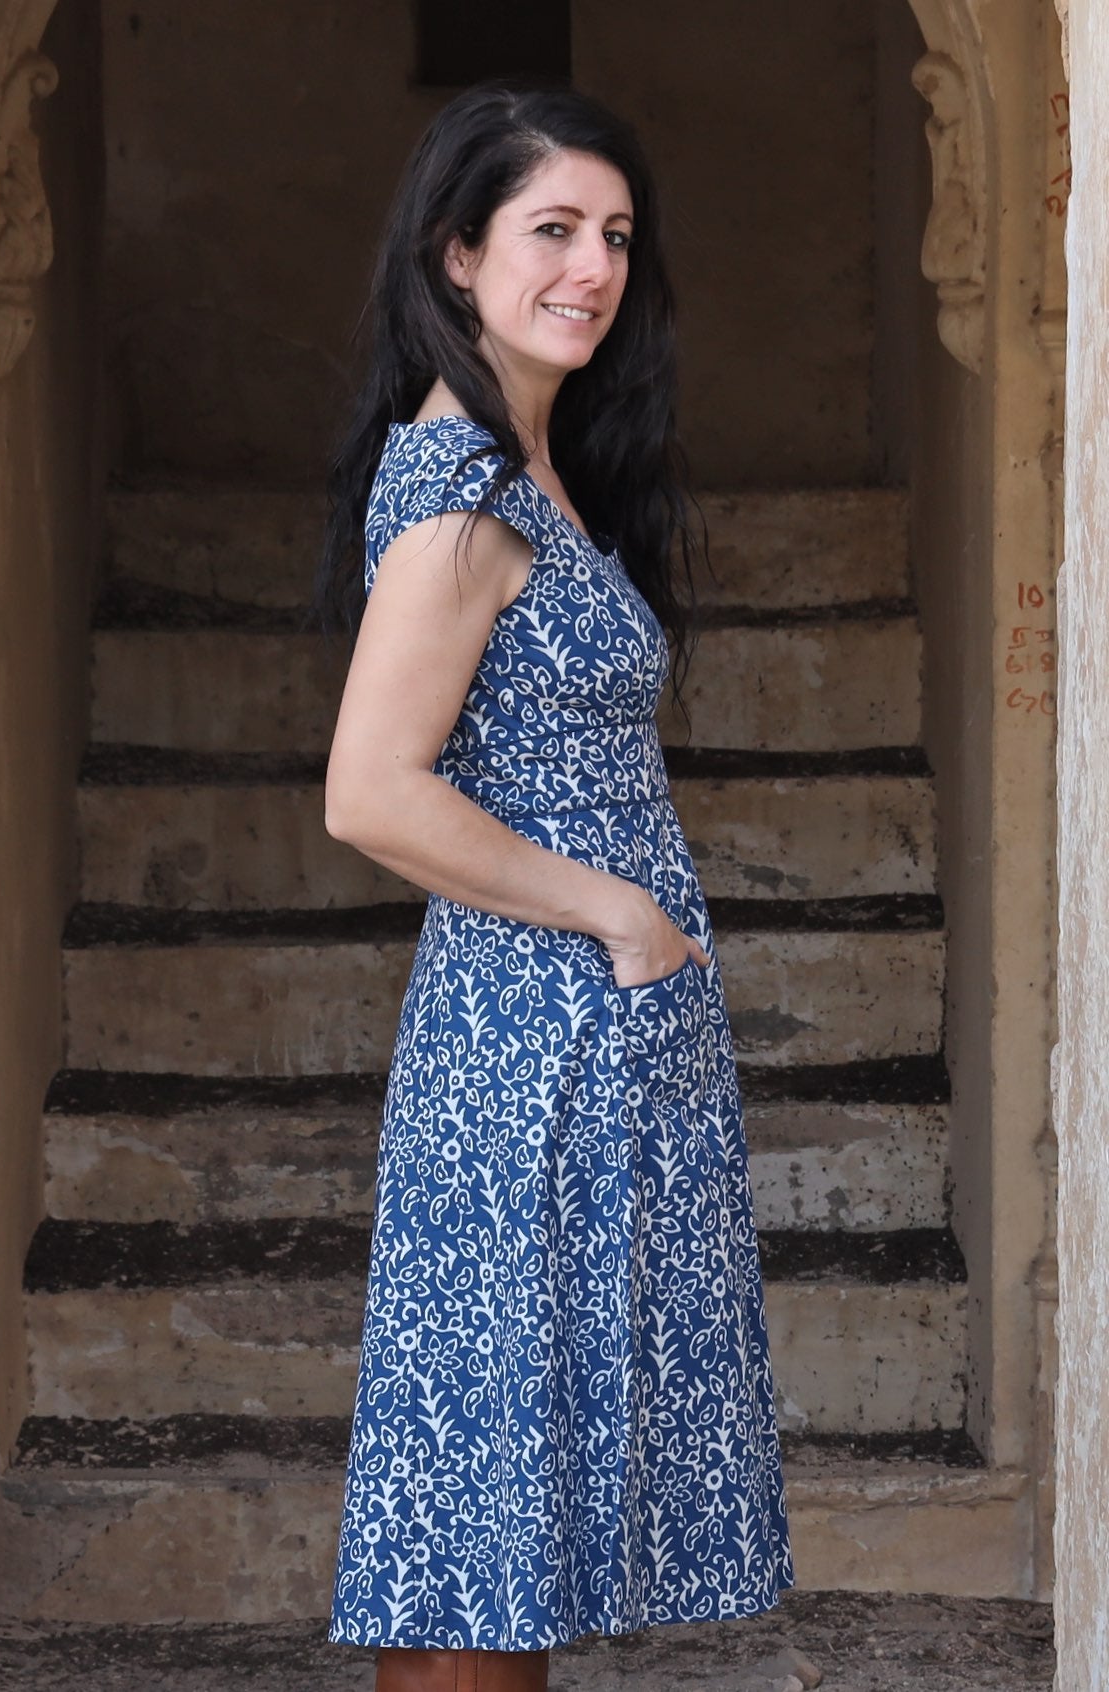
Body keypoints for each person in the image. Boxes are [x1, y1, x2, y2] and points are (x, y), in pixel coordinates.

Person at [316, 79, 794, 1692]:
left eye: (615, 234)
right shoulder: (461, 498)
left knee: (521, 1538)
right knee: (476, 1547)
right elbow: (370, 791)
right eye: (550, 231)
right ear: (457, 256)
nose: (591, 265)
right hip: (527, 1050)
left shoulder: (540, 465)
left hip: (588, 1047)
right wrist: (613, 910)